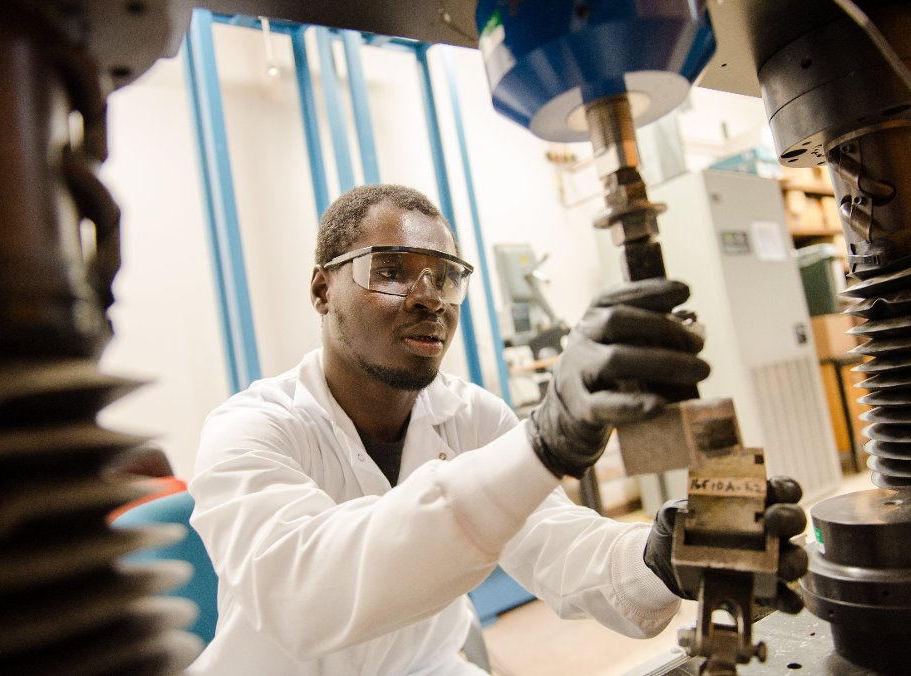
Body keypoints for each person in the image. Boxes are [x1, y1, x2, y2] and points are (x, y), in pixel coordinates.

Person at [187, 184, 806, 675]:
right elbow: (305, 594)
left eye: (446, 275)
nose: (430, 298)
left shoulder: (472, 415)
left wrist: (659, 557)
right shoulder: (248, 431)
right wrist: (541, 445)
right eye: (393, 270)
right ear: (323, 289)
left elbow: (557, 544)